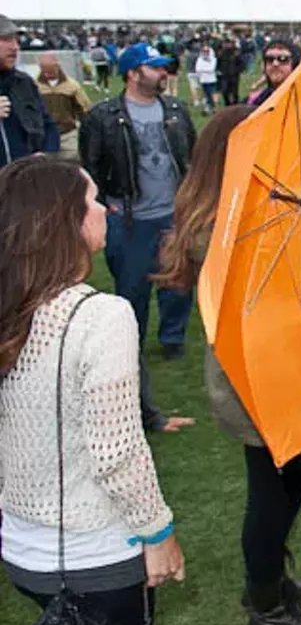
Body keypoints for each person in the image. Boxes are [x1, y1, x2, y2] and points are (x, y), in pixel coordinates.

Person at [0, 155, 187, 625]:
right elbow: (116, 450)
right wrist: (159, 533)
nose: (104, 208)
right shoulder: (99, 315)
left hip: (25, 550)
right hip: (92, 556)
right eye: (92, 200)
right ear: (64, 222)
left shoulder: (15, 307)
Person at [150, 106, 301, 625]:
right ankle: (265, 603)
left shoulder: (243, 208)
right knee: (272, 493)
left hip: (276, 372)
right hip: (256, 378)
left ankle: (270, 580)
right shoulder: (221, 221)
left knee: (290, 481)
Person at [77, 43, 197, 434]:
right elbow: (90, 163)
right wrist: (105, 203)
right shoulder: (103, 116)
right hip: (129, 219)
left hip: (172, 215)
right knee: (132, 291)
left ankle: (173, 337)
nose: (163, 73)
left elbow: (189, 157)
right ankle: (131, 346)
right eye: (154, 67)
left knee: (178, 282)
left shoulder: (176, 111)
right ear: (132, 73)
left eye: (163, 67)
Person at [0, 14, 61, 168]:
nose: (15, 47)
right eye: (6, 39)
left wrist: (46, 154)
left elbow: (48, 126)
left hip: (25, 181)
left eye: (16, 40)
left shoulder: (24, 83)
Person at [35, 53, 93, 161]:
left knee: (72, 166)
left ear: (57, 66)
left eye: (50, 70)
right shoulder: (34, 86)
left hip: (68, 135)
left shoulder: (72, 86)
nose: (47, 74)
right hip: (44, 136)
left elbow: (85, 110)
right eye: (44, 70)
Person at [247, 39, 297, 107]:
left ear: (294, 64)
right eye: (269, 59)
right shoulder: (254, 102)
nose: (275, 63)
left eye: (283, 58)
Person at [193, 42, 219, 114]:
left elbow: (211, 69)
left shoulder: (213, 59)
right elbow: (197, 69)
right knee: (206, 94)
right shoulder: (200, 59)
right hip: (203, 80)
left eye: (207, 51)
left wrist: (203, 69)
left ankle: (212, 107)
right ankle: (209, 107)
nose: (205, 53)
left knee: (211, 94)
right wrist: (204, 70)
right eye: (204, 51)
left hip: (211, 79)